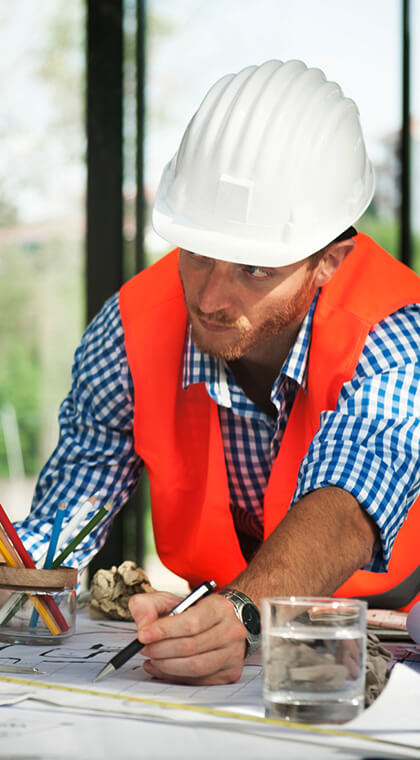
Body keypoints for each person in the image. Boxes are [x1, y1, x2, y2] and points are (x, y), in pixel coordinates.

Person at [15, 59, 420, 685]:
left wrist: (238, 611)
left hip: (392, 645)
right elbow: (62, 523)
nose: (209, 296)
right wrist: (20, 572)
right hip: (218, 647)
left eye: (253, 269)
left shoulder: (396, 328)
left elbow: (347, 504)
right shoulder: (129, 329)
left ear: (330, 260)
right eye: (198, 254)